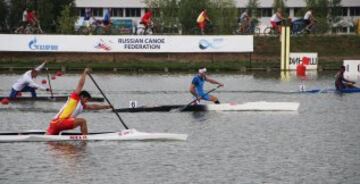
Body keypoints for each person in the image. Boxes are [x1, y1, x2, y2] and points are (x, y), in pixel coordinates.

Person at [46, 68, 112, 135]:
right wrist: (85, 73)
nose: (86, 102)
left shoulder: (82, 105)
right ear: (82, 97)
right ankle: (86, 139)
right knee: (82, 121)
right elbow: (80, 84)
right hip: (60, 122)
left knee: (50, 142)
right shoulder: (75, 98)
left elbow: (94, 106)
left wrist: (107, 106)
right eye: (86, 99)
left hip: (54, 123)